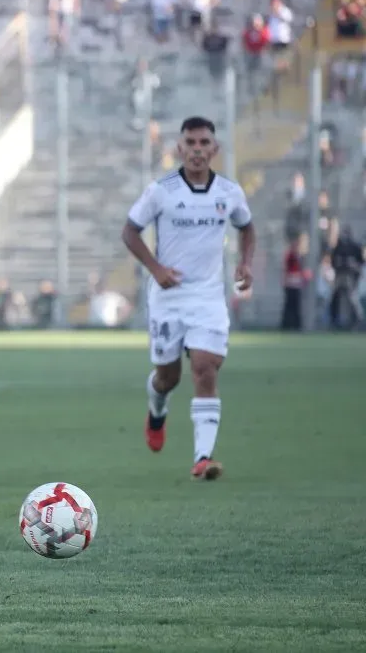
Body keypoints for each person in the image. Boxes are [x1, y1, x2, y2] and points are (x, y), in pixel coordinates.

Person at [121, 116, 256, 480]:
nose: (197, 150)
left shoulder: (229, 193)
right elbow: (130, 231)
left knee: (205, 369)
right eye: (191, 143)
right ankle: (157, 411)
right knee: (168, 377)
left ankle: (202, 457)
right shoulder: (161, 191)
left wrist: (245, 263)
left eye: (204, 143)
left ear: (215, 149)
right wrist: (156, 269)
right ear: (179, 148)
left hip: (209, 298)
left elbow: (247, 226)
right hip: (168, 298)